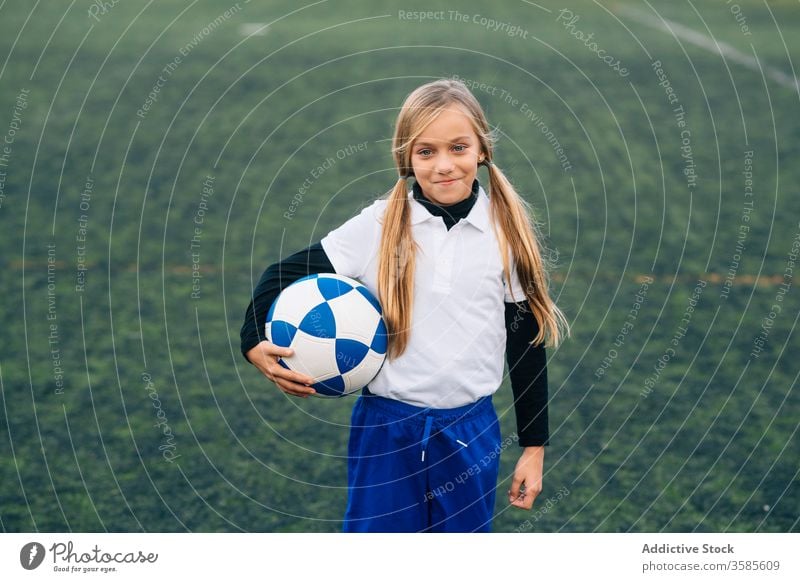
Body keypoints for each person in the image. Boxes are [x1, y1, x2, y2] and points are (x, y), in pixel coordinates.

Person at [240, 78, 570, 532]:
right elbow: (280, 275)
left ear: (482, 150)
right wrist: (253, 340)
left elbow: (525, 343)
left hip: (471, 429)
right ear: (407, 158)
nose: (444, 165)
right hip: (386, 429)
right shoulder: (378, 224)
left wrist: (534, 448)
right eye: (426, 152)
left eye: (458, 147)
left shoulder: (505, 232)